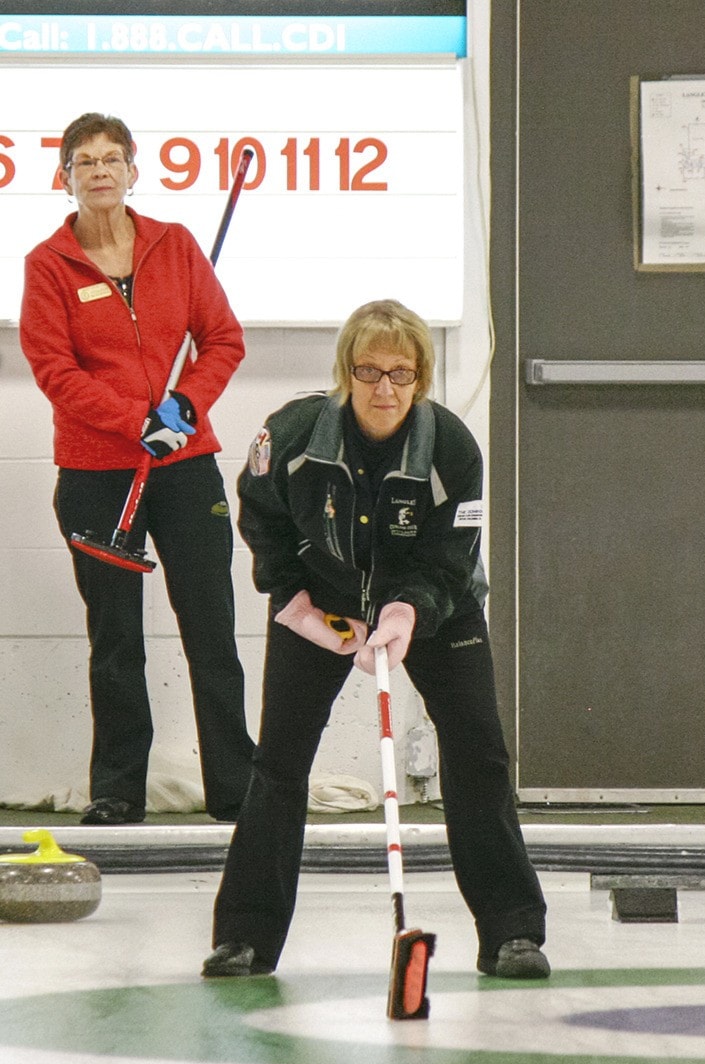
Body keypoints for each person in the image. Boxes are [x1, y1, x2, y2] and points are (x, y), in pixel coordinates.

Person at [202, 299, 549, 980]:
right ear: (345, 373)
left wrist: (404, 614)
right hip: (323, 604)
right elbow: (259, 512)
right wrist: (292, 598)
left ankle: (512, 932)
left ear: (419, 377)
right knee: (278, 766)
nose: (383, 388)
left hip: (436, 608)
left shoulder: (452, 447)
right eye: (368, 371)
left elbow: (451, 555)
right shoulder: (293, 435)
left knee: (479, 757)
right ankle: (244, 936)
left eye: (399, 373)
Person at [19, 113, 254, 825]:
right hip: (98, 472)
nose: (98, 170)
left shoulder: (175, 247)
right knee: (115, 639)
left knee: (211, 628)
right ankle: (118, 790)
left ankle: (236, 790)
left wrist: (181, 407)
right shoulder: (47, 265)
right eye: (83, 160)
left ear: (133, 171)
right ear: (64, 177)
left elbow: (222, 340)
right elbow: (53, 369)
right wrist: (134, 422)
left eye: (111, 158)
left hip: (185, 466)